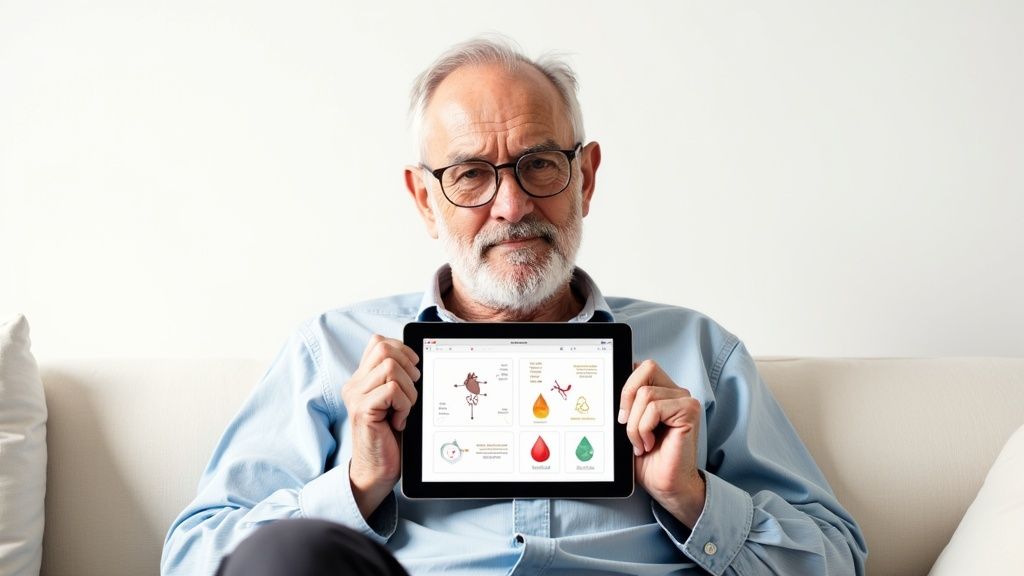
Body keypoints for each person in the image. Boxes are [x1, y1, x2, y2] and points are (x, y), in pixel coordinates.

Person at [162, 37, 867, 576]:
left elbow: (838, 558)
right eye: (471, 174)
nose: (513, 205)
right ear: (423, 199)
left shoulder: (696, 353)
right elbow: (197, 556)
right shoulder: (333, 352)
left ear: (584, 178)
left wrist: (693, 496)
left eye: (539, 165)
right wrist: (357, 483)